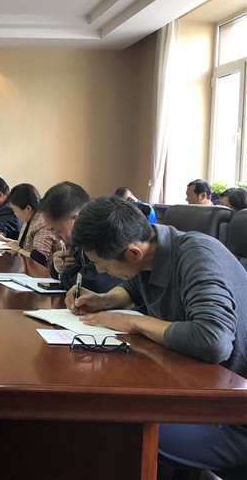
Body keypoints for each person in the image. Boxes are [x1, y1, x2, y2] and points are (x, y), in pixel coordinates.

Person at [67, 195, 247, 477]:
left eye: (102, 264)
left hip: (230, 414)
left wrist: (134, 322)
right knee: (99, 404)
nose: (100, 271)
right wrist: (105, 300)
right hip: (189, 387)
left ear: (133, 253)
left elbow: (213, 340)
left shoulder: (197, 256)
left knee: (114, 425)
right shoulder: (153, 248)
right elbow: (135, 288)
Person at [38, 181, 121, 293]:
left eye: (58, 231)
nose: (57, 238)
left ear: (77, 219)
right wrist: (57, 267)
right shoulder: (79, 242)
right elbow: (75, 272)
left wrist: (65, 273)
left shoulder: (105, 234)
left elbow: (91, 283)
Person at [0, 183, 63, 268]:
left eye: (15, 210)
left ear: (28, 208)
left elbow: (38, 257)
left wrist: (17, 249)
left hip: (44, 273)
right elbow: (27, 246)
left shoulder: (43, 223)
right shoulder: (30, 217)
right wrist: (5, 240)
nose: (14, 213)